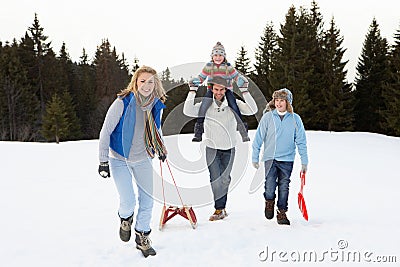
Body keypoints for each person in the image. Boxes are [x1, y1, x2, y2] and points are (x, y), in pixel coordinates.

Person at [98, 65, 167, 257]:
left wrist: (160, 148)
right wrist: (103, 160)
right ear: (136, 82)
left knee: (148, 200)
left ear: (156, 84)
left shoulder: (155, 104)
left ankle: (142, 236)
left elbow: (157, 129)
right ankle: (125, 218)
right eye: (142, 81)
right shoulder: (123, 102)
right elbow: (105, 131)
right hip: (120, 159)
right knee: (127, 201)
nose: (146, 85)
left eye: (151, 81)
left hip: (144, 157)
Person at [184, 76, 257, 221]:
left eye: (221, 89)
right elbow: (188, 110)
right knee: (215, 179)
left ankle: (222, 207)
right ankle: (219, 208)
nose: (218, 92)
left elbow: (252, 109)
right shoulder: (206, 105)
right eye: (216, 89)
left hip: (229, 148)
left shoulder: (232, 103)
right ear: (211, 88)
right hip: (211, 148)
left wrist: (245, 91)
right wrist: (192, 91)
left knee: (225, 179)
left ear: (226, 89)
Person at [252, 88, 308, 225]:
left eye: (281, 100)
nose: (278, 103)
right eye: (276, 100)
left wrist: (304, 161)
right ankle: (269, 202)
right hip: (270, 158)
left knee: (284, 186)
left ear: (288, 102)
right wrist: (255, 156)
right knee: (270, 185)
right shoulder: (268, 117)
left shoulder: (295, 119)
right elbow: (258, 138)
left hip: (287, 159)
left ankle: (281, 212)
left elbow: (301, 140)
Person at [189, 41, 250, 143]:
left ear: (224, 56)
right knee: (203, 107)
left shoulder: (228, 67)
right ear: (212, 56)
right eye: (215, 55)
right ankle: (198, 133)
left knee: (234, 106)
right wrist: (195, 81)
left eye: (220, 55)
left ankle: (243, 132)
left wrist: (241, 80)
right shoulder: (209, 66)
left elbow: (236, 76)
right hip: (211, 90)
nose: (218, 57)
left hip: (227, 90)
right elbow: (202, 77)